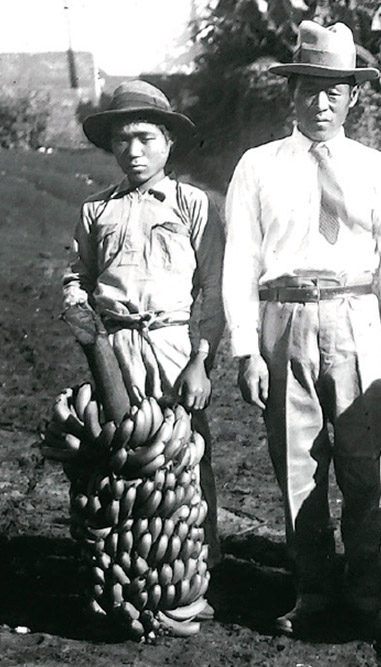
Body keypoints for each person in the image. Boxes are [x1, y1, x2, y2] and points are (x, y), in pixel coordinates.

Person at [222, 21, 381, 638]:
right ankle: (310, 587)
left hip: (357, 321)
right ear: (294, 91)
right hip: (285, 318)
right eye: (311, 87)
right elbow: (239, 264)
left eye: (336, 88)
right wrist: (247, 350)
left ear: (353, 96)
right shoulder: (257, 167)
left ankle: (365, 590)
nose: (322, 100)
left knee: (364, 467)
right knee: (298, 465)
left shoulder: (378, 169)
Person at [64, 80, 224, 619]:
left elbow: (215, 289)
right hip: (112, 345)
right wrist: (76, 303)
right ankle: (126, 571)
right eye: (122, 140)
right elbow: (78, 274)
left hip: (172, 341)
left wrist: (202, 360)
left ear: (169, 143)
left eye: (146, 138)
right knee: (116, 456)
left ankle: (194, 575)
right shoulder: (96, 210)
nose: (133, 151)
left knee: (185, 455)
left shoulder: (191, 204)